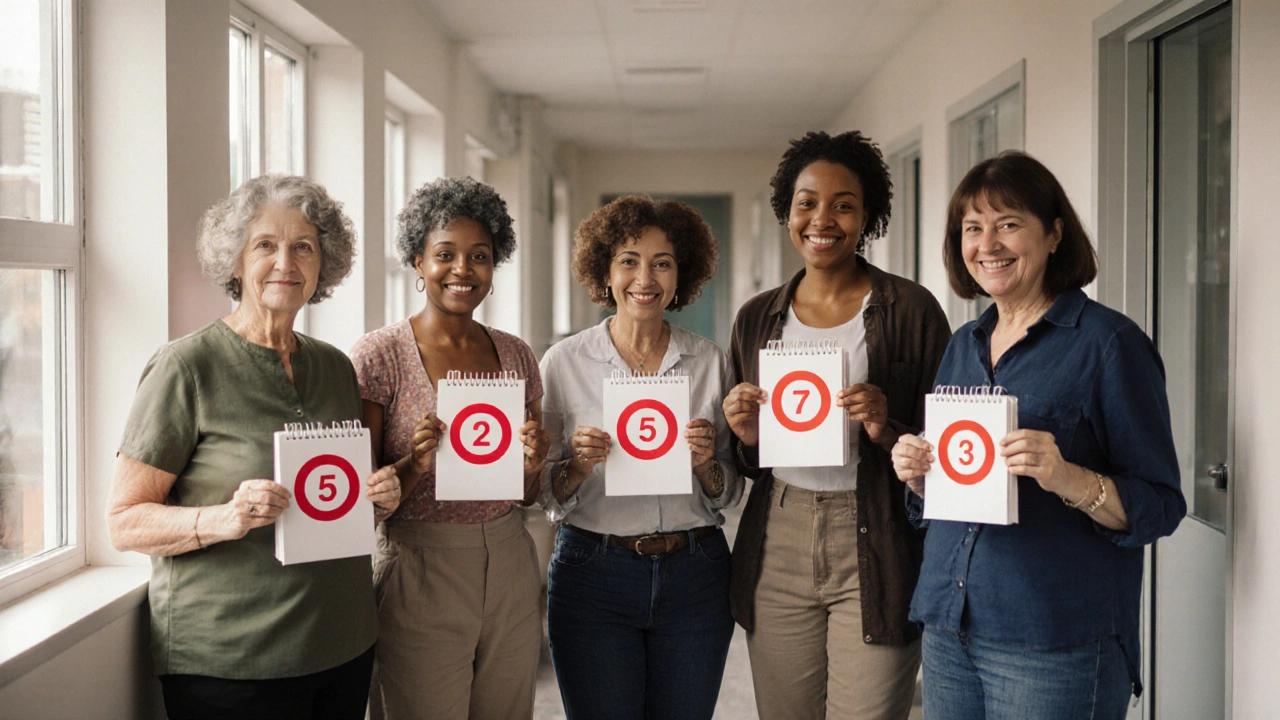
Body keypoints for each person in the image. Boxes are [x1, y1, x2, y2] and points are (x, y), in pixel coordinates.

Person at [891, 151, 1186, 719]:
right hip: (950, 627)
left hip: (1054, 640)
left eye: (1008, 224)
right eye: (972, 229)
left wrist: (1068, 478)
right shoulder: (963, 343)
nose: (987, 244)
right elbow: (956, 488)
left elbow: (1161, 505)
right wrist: (922, 476)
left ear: (1054, 234)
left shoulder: (1108, 344)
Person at [106, 175, 401, 720]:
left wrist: (379, 497)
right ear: (236, 261)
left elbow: (336, 494)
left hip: (343, 643)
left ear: (322, 265)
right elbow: (124, 521)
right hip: (231, 659)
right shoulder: (185, 366)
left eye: (303, 247)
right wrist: (224, 518)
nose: (285, 262)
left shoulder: (336, 366)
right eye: (265, 245)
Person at [723, 130, 951, 719]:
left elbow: (949, 445)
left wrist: (886, 426)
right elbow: (745, 460)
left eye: (843, 204)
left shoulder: (913, 308)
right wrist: (746, 437)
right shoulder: (756, 317)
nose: (822, 219)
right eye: (807, 202)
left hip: (877, 530)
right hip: (780, 533)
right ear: (787, 211)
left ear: (867, 215)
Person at [349, 176, 549, 720]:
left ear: (495, 264)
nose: (462, 269)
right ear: (417, 261)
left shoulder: (516, 355)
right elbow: (361, 501)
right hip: (418, 565)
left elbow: (530, 496)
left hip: (508, 557)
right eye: (445, 254)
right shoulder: (378, 356)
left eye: (479, 256)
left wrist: (533, 463)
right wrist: (414, 463)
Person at [539, 195, 742, 720]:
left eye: (662, 263)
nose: (644, 278)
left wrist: (704, 464)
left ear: (681, 277)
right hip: (593, 572)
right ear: (604, 272)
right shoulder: (564, 362)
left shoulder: (710, 361)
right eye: (628, 260)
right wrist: (578, 466)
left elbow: (730, 489)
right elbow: (542, 489)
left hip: (696, 573)